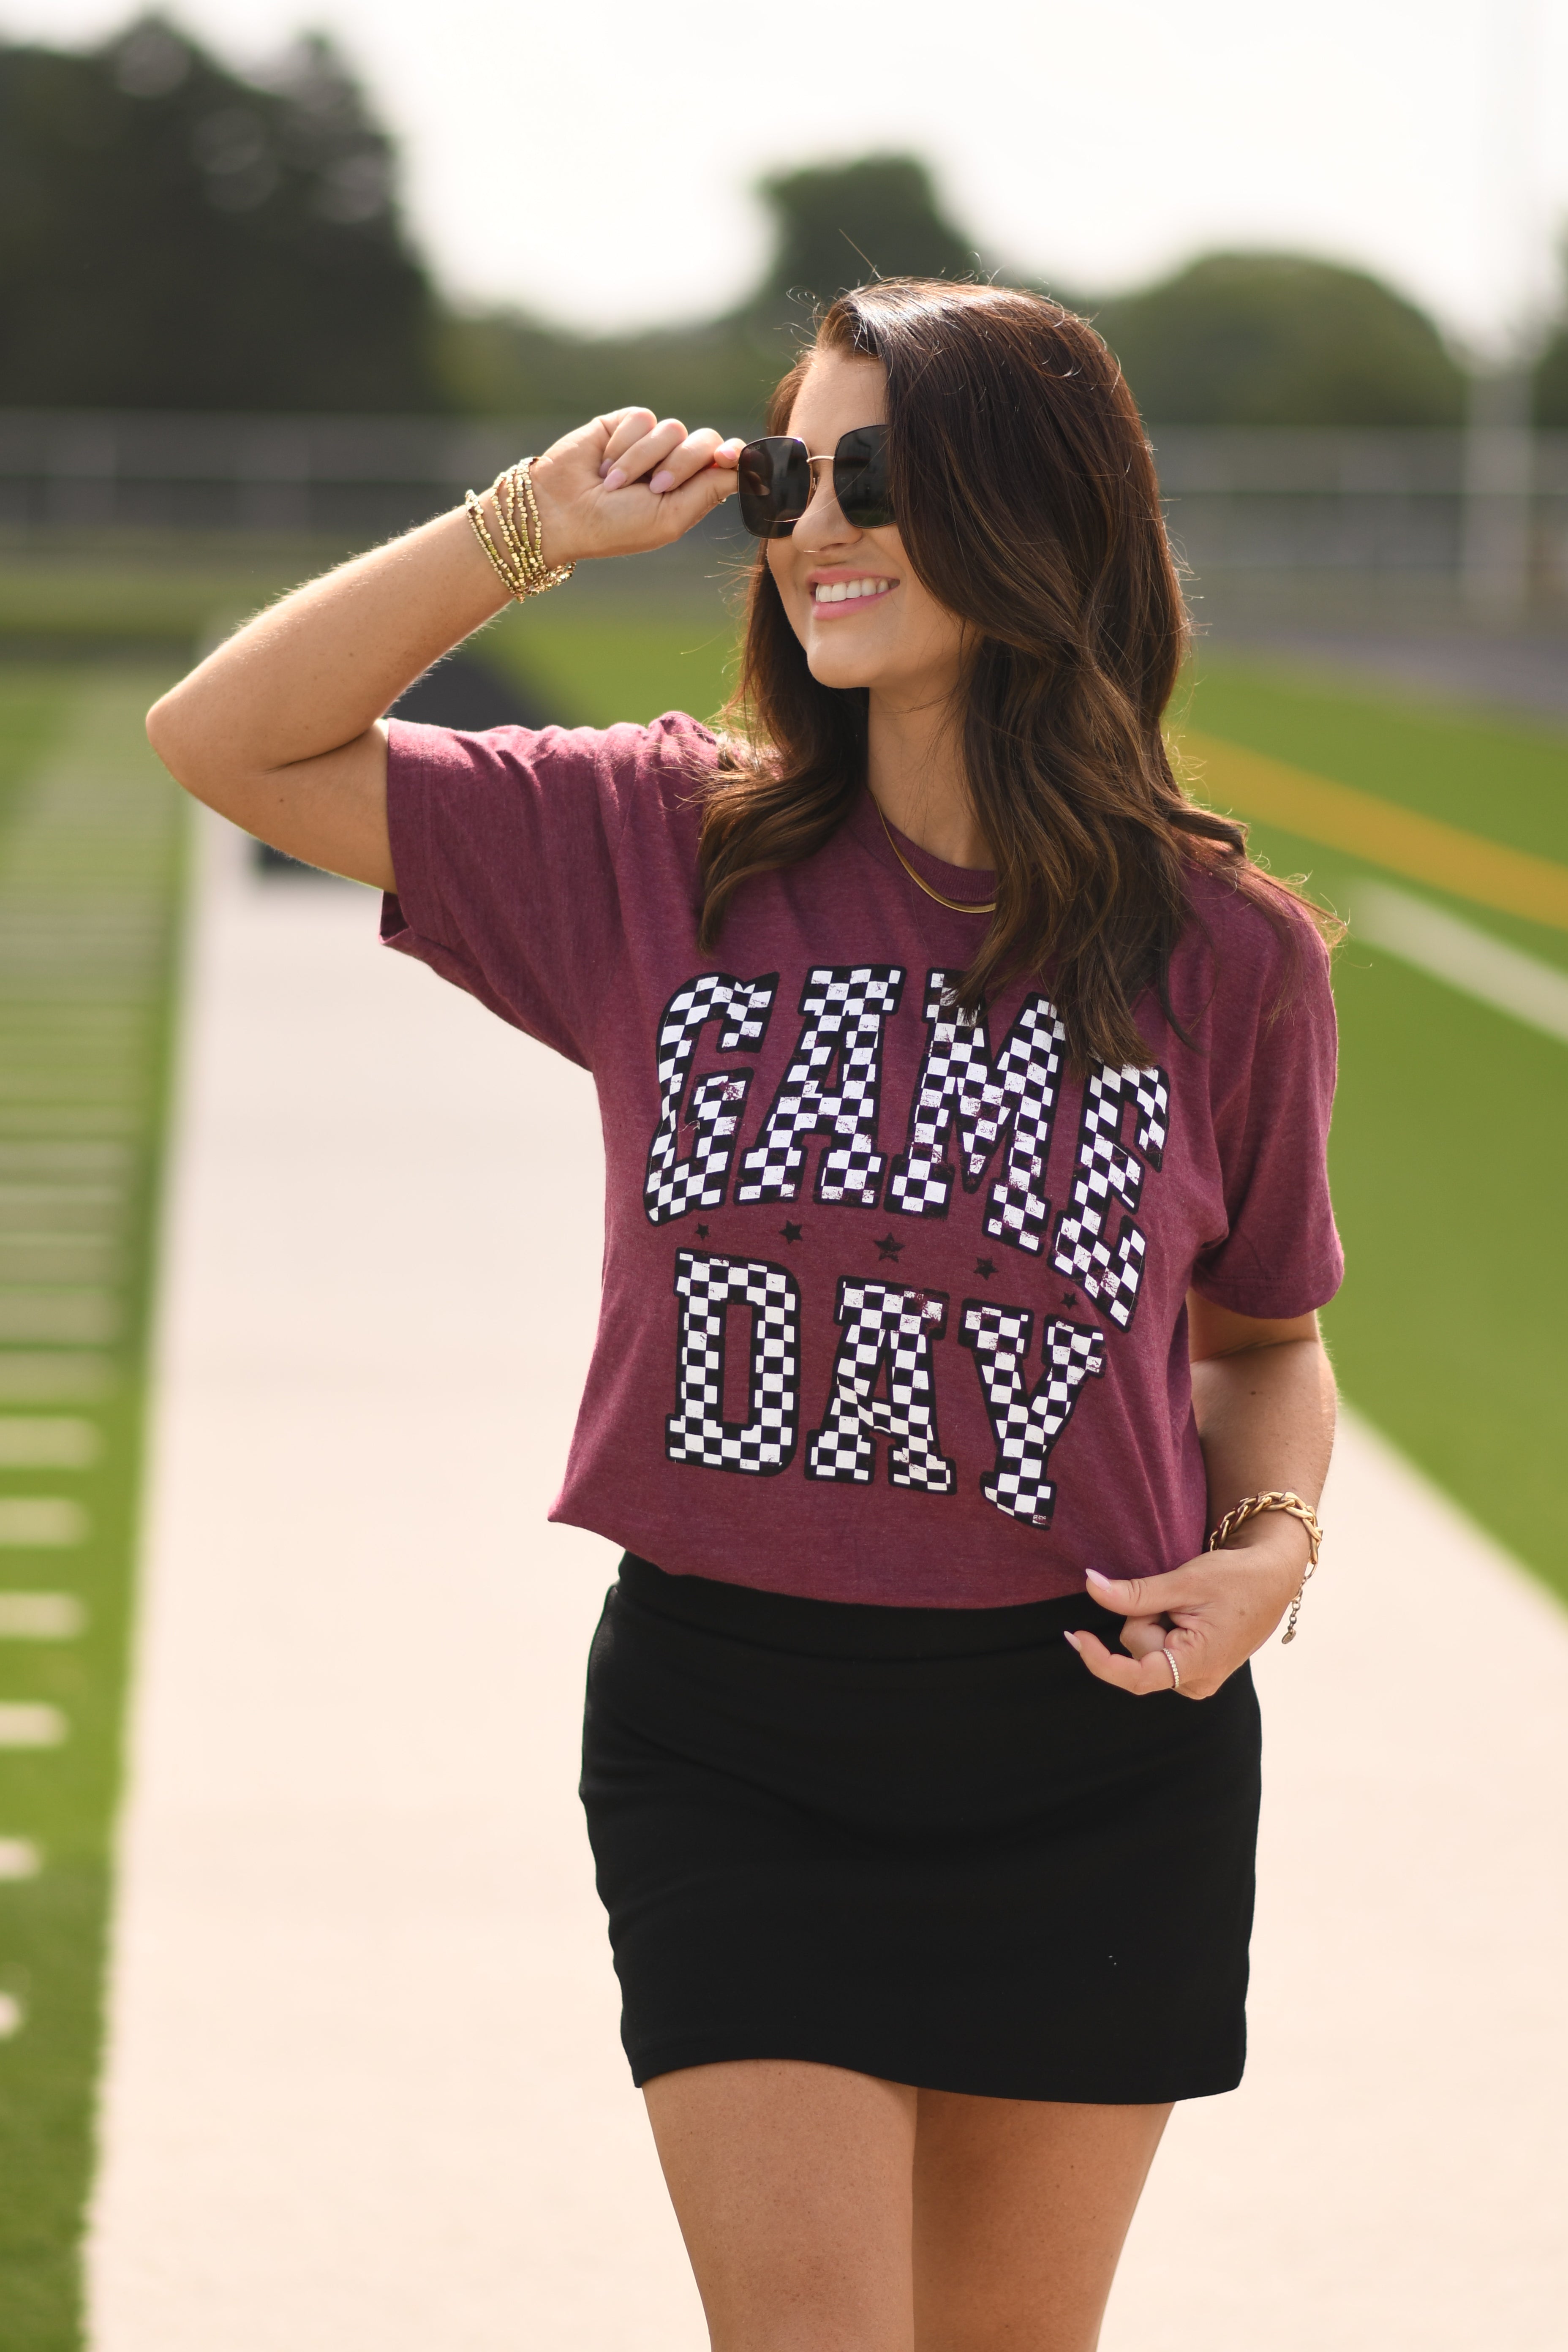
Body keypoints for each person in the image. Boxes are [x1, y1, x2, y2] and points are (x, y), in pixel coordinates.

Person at [147, 279, 1340, 2352]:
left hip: (1096, 1749)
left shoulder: (1223, 952)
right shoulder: (656, 844)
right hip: (740, 1741)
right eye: (789, 472)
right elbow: (225, 737)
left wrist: (1270, 1559)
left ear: (1038, 507)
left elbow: (1263, 1344)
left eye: (873, 472)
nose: (811, 525)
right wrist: (529, 523)